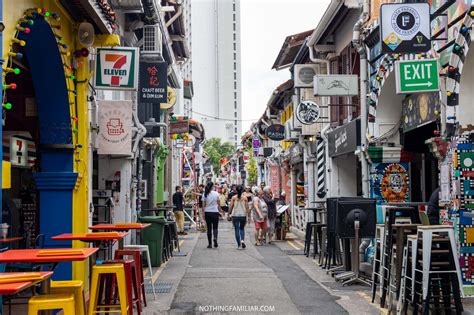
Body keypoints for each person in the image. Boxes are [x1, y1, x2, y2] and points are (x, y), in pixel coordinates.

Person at [202, 182, 223, 248]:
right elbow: (218, 204)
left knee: (209, 228)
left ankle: (210, 244)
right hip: (215, 212)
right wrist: (220, 211)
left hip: (207, 212)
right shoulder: (216, 193)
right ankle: (215, 238)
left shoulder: (205, 194)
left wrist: (203, 213)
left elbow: (203, 206)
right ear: (212, 187)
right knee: (215, 227)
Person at [228, 185, 250, 249]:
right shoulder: (245, 198)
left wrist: (228, 214)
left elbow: (231, 207)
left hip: (235, 215)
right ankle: (242, 240)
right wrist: (248, 217)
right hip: (243, 215)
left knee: (236, 229)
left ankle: (239, 245)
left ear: (236, 190)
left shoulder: (234, 197)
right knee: (242, 228)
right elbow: (247, 208)